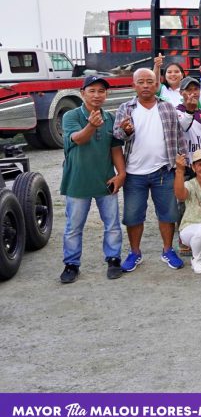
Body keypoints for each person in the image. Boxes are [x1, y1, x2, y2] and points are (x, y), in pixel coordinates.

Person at [113, 68, 185, 272]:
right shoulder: (126, 108)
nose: (145, 85)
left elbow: (178, 137)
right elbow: (117, 135)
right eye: (141, 82)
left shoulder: (168, 108)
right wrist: (126, 131)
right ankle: (135, 252)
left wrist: (181, 162)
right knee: (133, 216)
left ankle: (168, 250)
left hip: (163, 170)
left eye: (149, 82)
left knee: (168, 214)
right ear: (133, 85)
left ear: (156, 85)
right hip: (134, 174)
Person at [59, 75, 126, 283]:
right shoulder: (70, 116)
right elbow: (77, 139)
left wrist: (121, 174)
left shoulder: (110, 118)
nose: (97, 95)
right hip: (77, 183)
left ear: (107, 94)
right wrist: (91, 125)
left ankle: (113, 259)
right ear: (82, 93)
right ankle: (71, 264)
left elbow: (115, 148)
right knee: (73, 227)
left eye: (101, 91)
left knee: (113, 224)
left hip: (105, 180)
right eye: (92, 91)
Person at [176, 77, 201, 164]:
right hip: (187, 162)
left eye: (196, 89)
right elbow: (184, 127)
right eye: (189, 90)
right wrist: (189, 110)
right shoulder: (176, 111)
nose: (193, 93)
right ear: (181, 93)